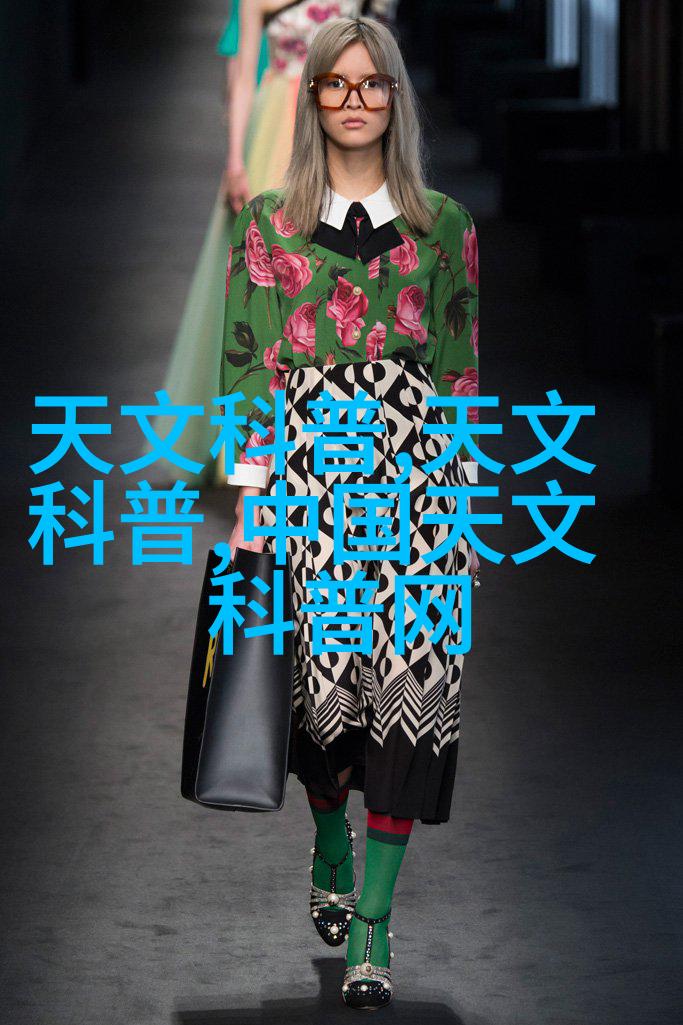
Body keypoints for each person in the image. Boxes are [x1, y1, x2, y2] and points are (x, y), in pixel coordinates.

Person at [220, 14, 480, 1009]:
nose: (356, 101)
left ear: (395, 98)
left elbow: (458, 371)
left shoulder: (444, 226)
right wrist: (249, 503)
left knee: (414, 689)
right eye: (338, 84)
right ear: (314, 97)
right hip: (310, 479)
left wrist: (459, 503)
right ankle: (328, 831)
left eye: (374, 85)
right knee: (321, 701)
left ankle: (372, 919)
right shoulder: (270, 226)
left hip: (417, 483)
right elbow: (246, 367)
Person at [148, 0, 396, 487]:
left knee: (340, 284)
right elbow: (242, 78)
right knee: (265, 288)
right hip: (276, 131)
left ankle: (335, 433)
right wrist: (234, 161)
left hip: (338, 131)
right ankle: (259, 448)